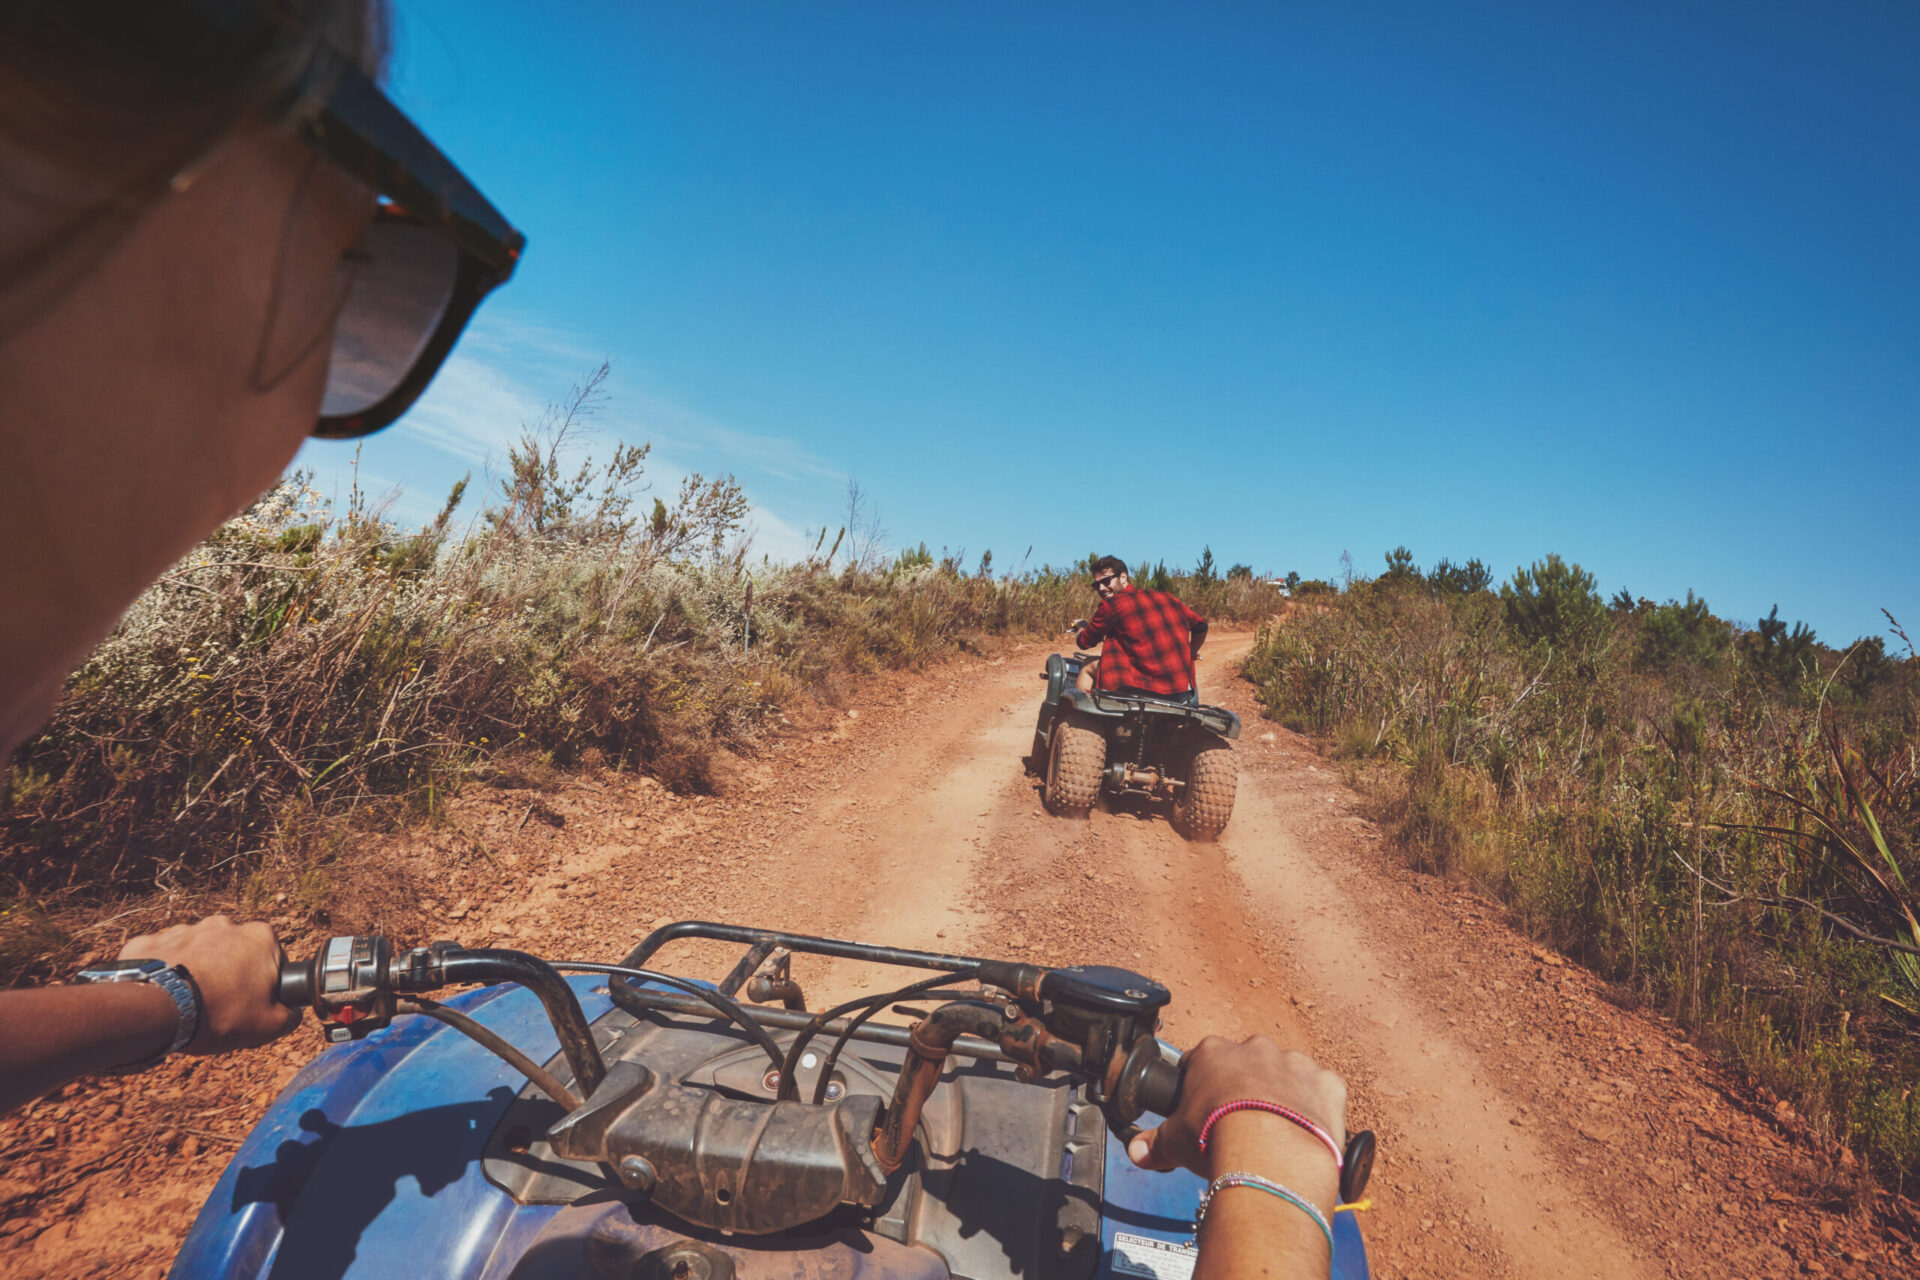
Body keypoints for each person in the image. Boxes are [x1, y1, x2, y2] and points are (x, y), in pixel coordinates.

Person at [0, 6, 1355, 1274]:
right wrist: (1282, 1167)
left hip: (1117, 710)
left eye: (367, 264)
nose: (297, 415)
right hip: (1173, 742)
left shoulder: (1113, 611)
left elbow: (1085, 650)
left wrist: (165, 1005)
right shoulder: (1172, 615)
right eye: (356, 253)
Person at [1068, 555, 1210, 706]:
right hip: (1180, 693)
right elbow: (1201, 627)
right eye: (1097, 585)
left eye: (1106, 581)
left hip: (1136, 691)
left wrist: (1081, 627)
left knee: (1088, 665)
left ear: (1123, 577)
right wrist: (1191, 654)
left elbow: (1085, 642)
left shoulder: (1111, 605)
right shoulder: (1168, 598)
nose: (1101, 588)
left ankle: (1080, 722)